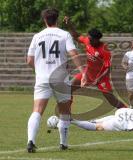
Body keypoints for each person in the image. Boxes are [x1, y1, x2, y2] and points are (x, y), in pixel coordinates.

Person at [26, 8, 82, 153]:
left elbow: (29, 60)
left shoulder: (37, 36)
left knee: (37, 111)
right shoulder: (64, 35)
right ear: (57, 19)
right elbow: (73, 53)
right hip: (60, 78)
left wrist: (39, 71)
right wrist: (83, 72)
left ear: (44, 20)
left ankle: (30, 141)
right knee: (64, 112)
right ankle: (63, 144)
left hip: (42, 78)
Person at [63, 16, 127, 109]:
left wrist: (98, 79)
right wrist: (69, 24)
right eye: (88, 38)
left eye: (91, 39)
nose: (88, 40)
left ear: (97, 40)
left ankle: (129, 112)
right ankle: (66, 112)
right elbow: (76, 36)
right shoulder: (88, 41)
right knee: (68, 89)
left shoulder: (104, 50)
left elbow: (108, 68)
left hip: (101, 78)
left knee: (112, 100)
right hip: (88, 74)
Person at [69, 102, 133, 132]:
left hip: (124, 112)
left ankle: (86, 121)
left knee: (99, 121)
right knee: (98, 127)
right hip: (122, 123)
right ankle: (71, 120)